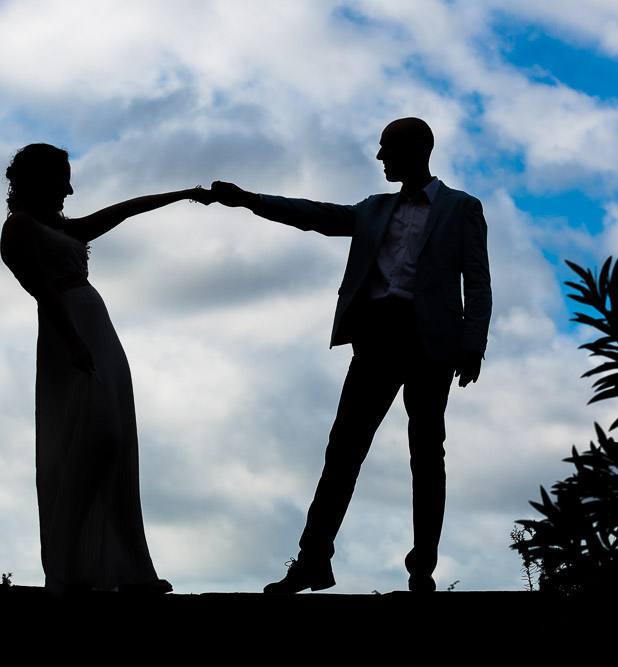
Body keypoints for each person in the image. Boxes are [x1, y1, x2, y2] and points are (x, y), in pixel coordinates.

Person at [209, 117, 491, 593]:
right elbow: (315, 215)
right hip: (378, 339)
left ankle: (422, 569)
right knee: (343, 452)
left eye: (387, 148)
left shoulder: (461, 208)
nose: (380, 157)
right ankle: (313, 560)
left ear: (416, 149)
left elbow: (477, 280)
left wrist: (472, 344)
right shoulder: (373, 209)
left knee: (426, 455)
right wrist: (250, 201)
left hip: (431, 344)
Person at [1, 143, 210, 597]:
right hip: (69, 334)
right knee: (100, 437)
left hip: (98, 332)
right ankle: (70, 567)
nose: (70, 188)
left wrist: (178, 195)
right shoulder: (17, 228)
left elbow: (123, 212)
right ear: (37, 178)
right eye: (62, 177)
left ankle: (130, 571)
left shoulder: (61, 227)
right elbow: (41, 289)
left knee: (117, 449)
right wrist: (73, 340)